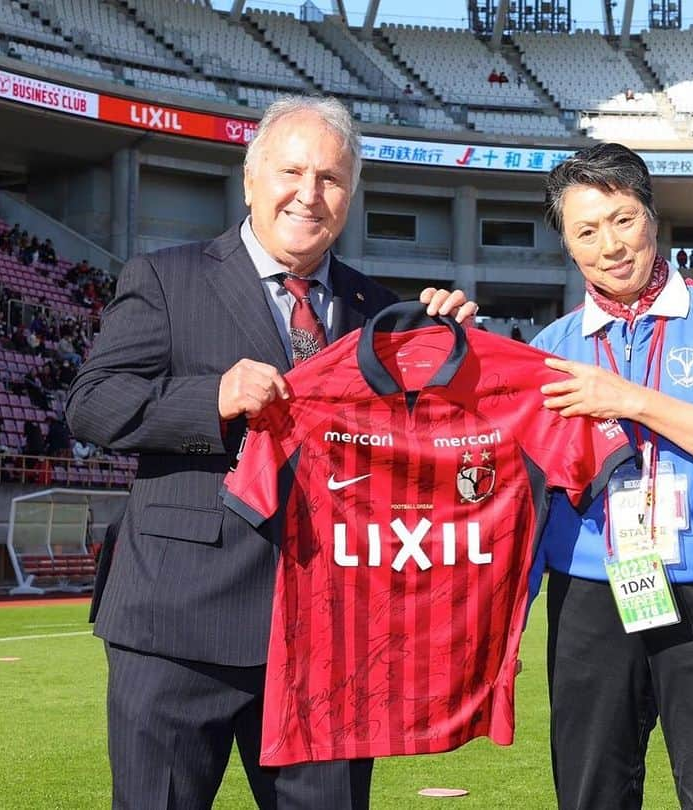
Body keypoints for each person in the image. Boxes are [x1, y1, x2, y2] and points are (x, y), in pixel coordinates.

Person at [65, 95, 477, 810]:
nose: (309, 195)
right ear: (251, 178)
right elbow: (92, 403)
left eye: (331, 178)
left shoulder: (384, 313)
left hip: (329, 637)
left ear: (351, 195)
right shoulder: (167, 278)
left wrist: (453, 349)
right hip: (176, 623)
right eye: (291, 171)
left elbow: (429, 450)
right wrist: (212, 398)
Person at [527, 142, 693, 810]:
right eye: (586, 230)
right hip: (591, 592)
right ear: (567, 245)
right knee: (591, 796)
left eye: (622, 218)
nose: (611, 245)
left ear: (651, 212)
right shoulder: (548, 351)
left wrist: (630, 400)